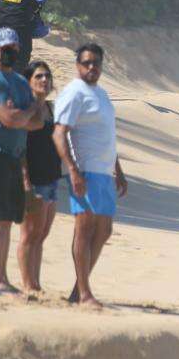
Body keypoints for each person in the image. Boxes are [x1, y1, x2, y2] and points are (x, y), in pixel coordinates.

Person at [0, 28, 46, 295]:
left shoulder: (19, 82)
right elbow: (11, 119)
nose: (11, 52)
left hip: (13, 155)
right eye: (5, 48)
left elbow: (37, 122)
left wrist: (23, 111)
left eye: (14, 48)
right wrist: (26, 111)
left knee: (6, 217)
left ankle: (2, 278)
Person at [53, 43, 128, 308]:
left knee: (104, 230)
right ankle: (84, 293)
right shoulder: (74, 93)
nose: (92, 67)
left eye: (96, 62)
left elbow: (107, 135)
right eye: (86, 63)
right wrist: (72, 170)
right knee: (84, 230)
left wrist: (118, 171)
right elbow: (59, 133)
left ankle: (78, 289)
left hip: (105, 171)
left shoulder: (102, 95)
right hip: (85, 170)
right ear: (77, 65)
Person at [18, 61, 60, 292]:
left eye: (47, 76)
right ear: (29, 82)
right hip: (33, 178)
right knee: (29, 234)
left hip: (52, 178)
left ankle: (36, 282)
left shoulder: (52, 109)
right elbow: (20, 148)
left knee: (41, 234)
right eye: (39, 76)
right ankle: (27, 284)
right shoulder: (27, 109)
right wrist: (25, 182)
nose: (45, 80)